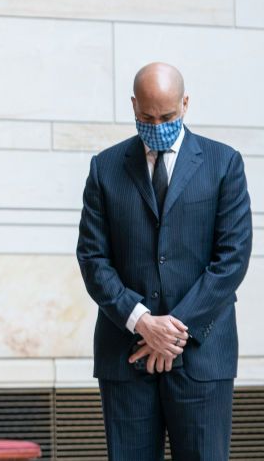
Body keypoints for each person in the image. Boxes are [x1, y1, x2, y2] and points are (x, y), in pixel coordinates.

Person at [77, 63, 252, 460]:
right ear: (134, 106)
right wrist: (140, 320)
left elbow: (232, 259)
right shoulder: (105, 168)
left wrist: (171, 333)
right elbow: (92, 257)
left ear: (185, 104)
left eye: (168, 117)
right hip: (126, 355)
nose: (157, 125)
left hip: (202, 357)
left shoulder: (223, 164)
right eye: (147, 117)